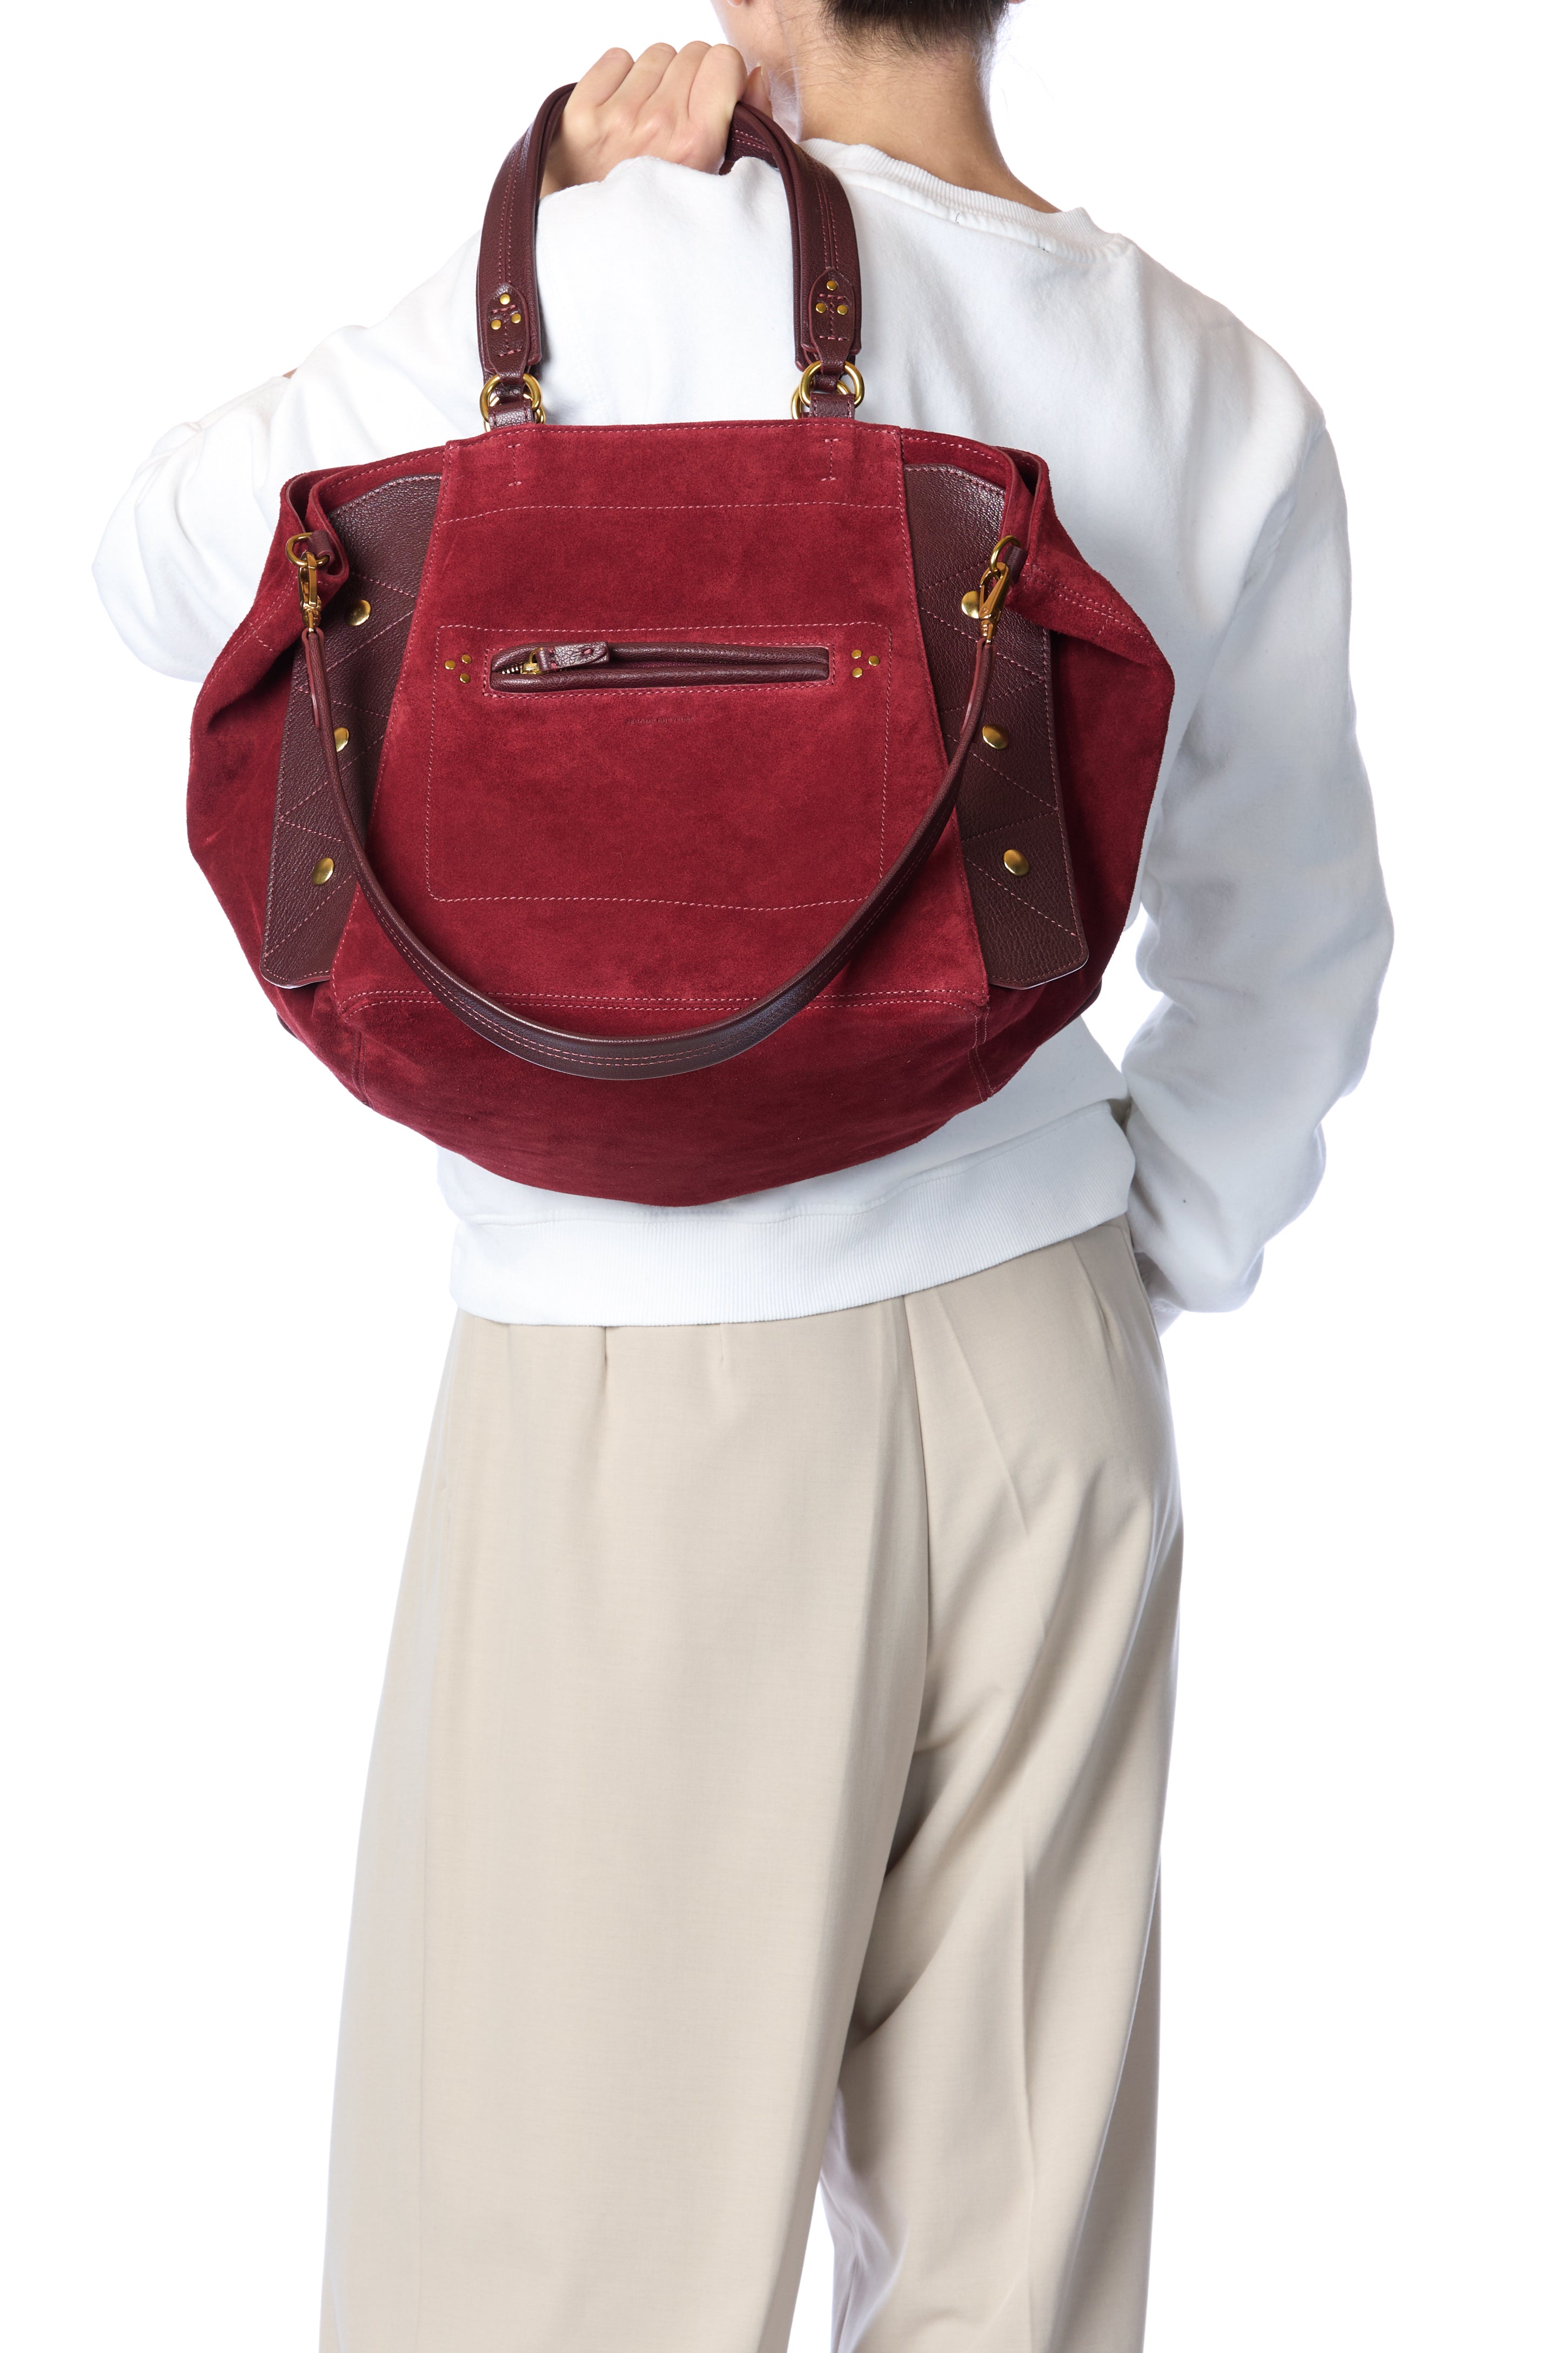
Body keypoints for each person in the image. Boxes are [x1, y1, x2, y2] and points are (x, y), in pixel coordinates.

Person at [94, 3, 1393, 2348]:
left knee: (542, 2273)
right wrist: (1124, 1262)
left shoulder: (596, 277)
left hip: (639, 1376)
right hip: (1046, 1369)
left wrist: (557, 218)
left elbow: (162, 558)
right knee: (1013, 2264)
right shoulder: (1211, 383)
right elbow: (1292, 949)